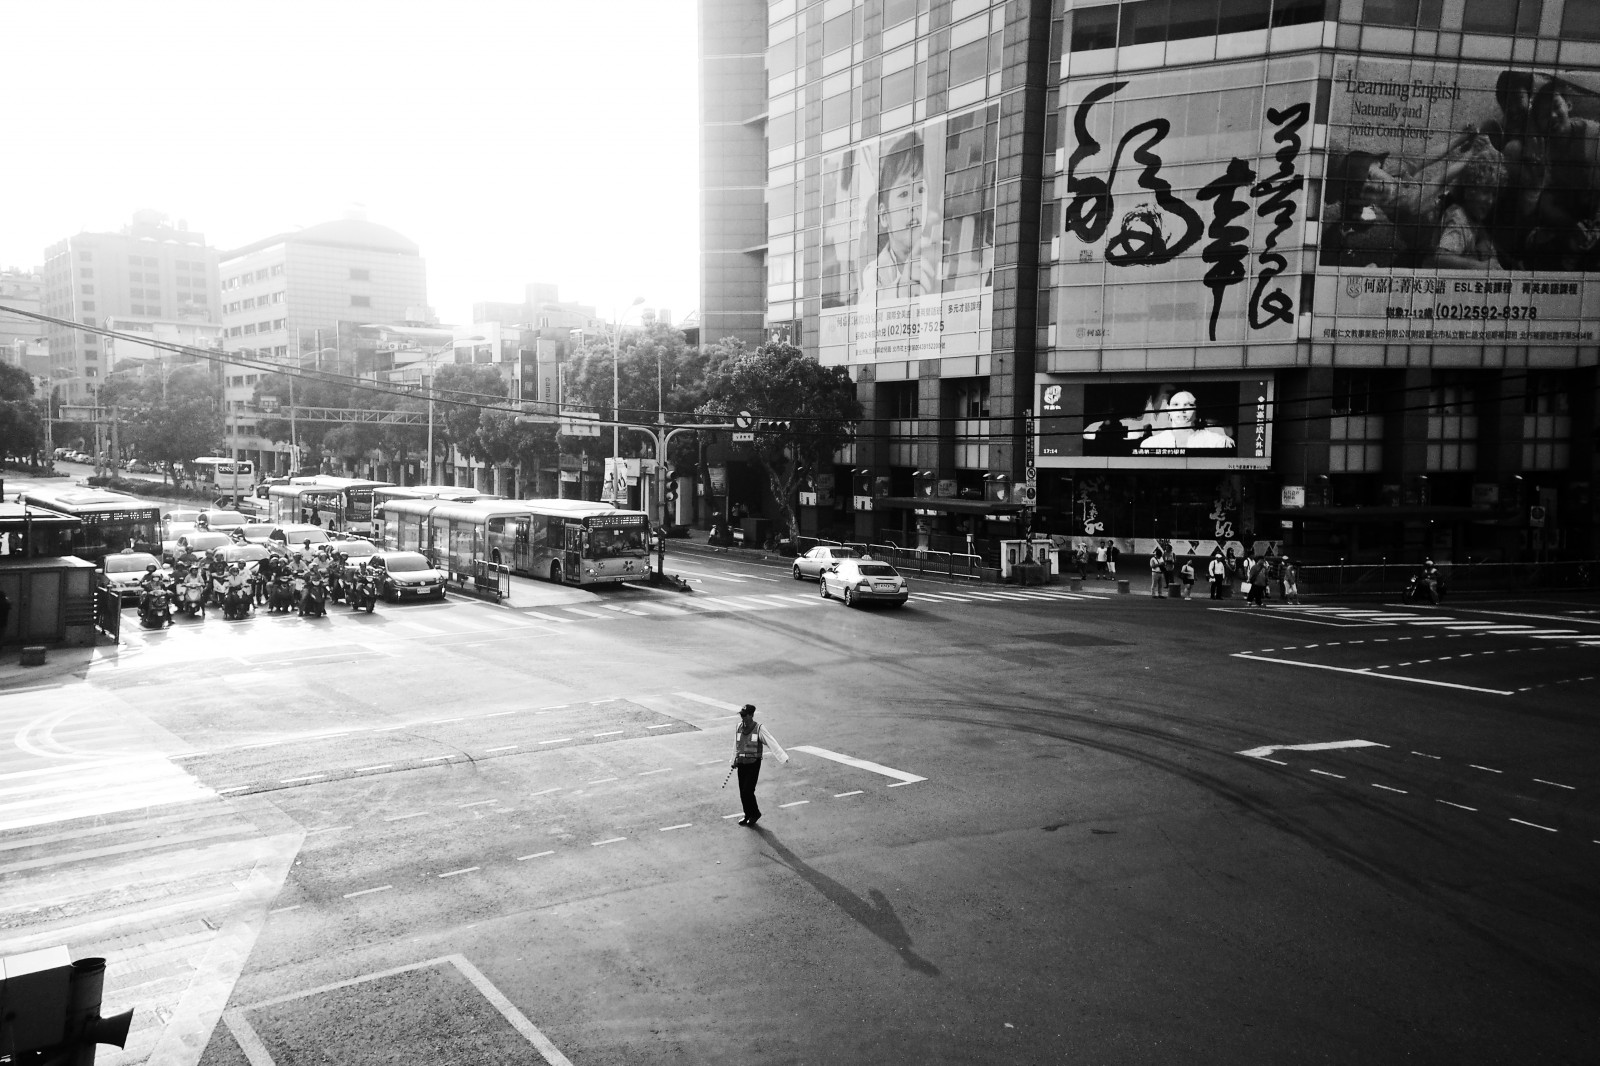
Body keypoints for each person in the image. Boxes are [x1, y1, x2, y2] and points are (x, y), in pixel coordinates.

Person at [1433, 153, 1505, 269]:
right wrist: (1480, 267)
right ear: (1469, 191)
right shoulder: (1459, 219)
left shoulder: (1474, 220)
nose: (1490, 201)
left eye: (1494, 194)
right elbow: (1441, 257)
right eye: (1486, 192)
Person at [730, 703, 789, 828]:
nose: (742, 717)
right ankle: (747, 814)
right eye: (741, 715)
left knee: (748, 790)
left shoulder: (759, 728)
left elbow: (771, 741)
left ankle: (755, 813)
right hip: (741, 763)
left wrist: (782, 757)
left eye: (745, 715)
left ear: (751, 715)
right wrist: (734, 760)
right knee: (742, 791)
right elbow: (736, 745)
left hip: (753, 764)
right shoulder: (738, 727)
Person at [1135, 391, 1236, 451]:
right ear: (1168, 409)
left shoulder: (1220, 442)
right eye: (1176, 405)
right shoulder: (1150, 444)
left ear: (1197, 409)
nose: (1181, 410)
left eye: (1189, 405)